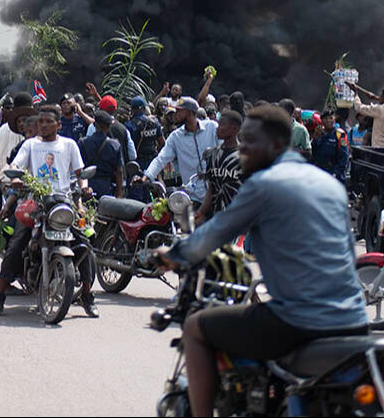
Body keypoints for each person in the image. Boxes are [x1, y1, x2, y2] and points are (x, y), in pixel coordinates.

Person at [156, 106, 368, 417]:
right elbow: (348, 255)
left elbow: (214, 233)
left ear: (277, 145)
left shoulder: (264, 184)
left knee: (195, 327)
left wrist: (171, 256)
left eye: (250, 141)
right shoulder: (330, 186)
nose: (242, 148)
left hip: (299, 322)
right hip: (355, 321)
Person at [0, 105, 98, 317]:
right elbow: (17, 167)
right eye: (41, 122)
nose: (44, 125)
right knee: (16, 244)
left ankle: (87, 295)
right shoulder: (30, 145)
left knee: (85, 245)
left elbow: (80, 172)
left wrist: (84, 186)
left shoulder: (70, 145)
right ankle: (0, 295)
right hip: (35, 203)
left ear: (58, 124)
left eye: (49, 121)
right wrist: (15, 179)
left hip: (63, 203)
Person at [144, 96, 219, 202]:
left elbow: (225, 152)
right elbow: (161, 159)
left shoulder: (212, 127)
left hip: (217, 194)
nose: (175, 114)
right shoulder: (175, 137)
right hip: (192, 197)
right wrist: (146, 177)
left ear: (189, 112)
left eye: (179, 111)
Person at [194, 110, 243, 224]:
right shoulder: (212, 154)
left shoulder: (245, 156)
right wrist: (200, 212)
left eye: (222, 125)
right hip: (216, 220)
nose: (217, 127)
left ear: (234, 129)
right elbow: (211, 189)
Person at [79, 110, 123, 198]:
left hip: (87, 185)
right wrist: (119, 193)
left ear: (94, 125)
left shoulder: (83, 142)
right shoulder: (115, 145)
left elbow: (79, 168)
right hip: (106, 186)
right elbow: (119, 171)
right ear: (108, 126)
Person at [348, 83, 384, 148]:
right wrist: (375, 98)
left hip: (379, 147)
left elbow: (359, 107)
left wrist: (356, 94)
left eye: (381, 96)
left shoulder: (379, 109)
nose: (380, 97)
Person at [126, 96, 165, 169]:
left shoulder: (130, 125)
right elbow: (162, 142)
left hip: (137, 163)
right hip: (153, 162)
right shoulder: (155, 122)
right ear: (144, 108)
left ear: (132, 109)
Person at [311, 108, 349, 181]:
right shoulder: (318, 133)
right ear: (321, 120)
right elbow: (313, 153)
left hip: (334, 175)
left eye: (331, 118)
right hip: (319, 173)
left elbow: (344, 158)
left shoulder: (340, 134)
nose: (328, 121)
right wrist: (314, 139)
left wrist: (335, 174)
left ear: (334, 120)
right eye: (326, 118)